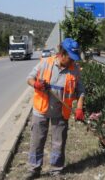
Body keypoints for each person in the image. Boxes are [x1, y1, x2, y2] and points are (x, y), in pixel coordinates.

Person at [24, 38, 85, 179]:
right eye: (70, 58)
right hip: (41, 110)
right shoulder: (46, 63)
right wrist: (36, 84)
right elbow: (29, 78)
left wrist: (79, 107)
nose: (72, 61)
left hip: (61, 112)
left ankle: (56, 170)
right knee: (37, 140)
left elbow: (81, 90)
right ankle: (34, 169)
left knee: (59, 142)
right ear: (62, 53)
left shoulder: (74, 69)